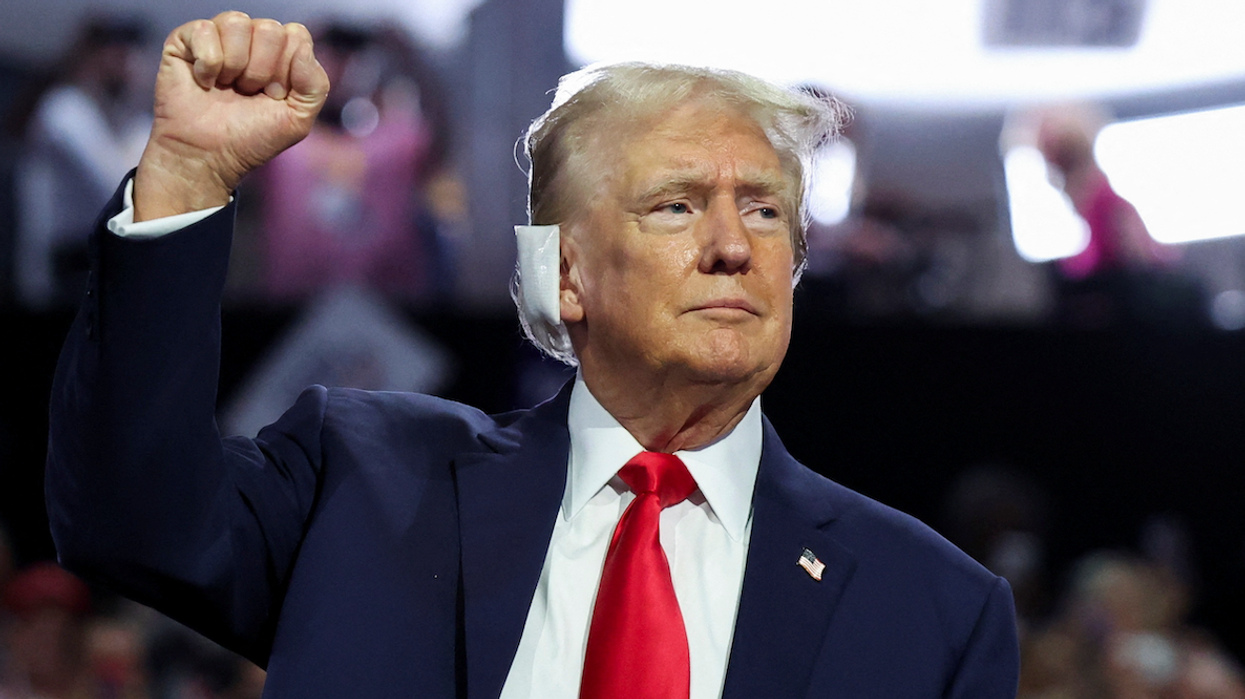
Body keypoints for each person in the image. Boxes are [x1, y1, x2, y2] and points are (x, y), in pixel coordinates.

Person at [45, 12, 1019, 698]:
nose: (735, 244)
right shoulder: (366, 484)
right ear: (564, 276)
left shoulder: (932, 609)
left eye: (766, 210)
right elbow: (129, 517)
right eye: (676, 204)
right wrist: (184, 178)